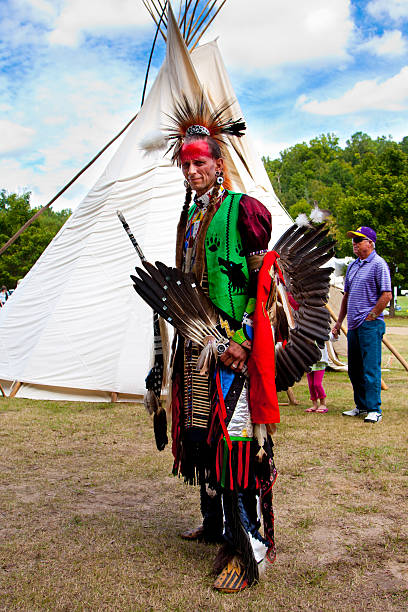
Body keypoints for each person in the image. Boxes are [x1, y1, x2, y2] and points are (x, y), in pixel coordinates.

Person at [166, 99, 280, 592]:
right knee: (199, 441)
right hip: (195, 348)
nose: (193, 171)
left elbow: (267, 287)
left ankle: (246, 546)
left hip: (232, 350)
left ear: (218, 163)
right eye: (186, 164)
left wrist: (247, 340)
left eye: (200, 162)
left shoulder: (244, 212)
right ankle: (215, 524)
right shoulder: (188, 219)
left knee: (235, 449)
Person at [331, 226, 392, 423]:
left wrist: (373, 315)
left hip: (370, 325)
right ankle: (361, 406)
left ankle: (374, 409)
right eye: (353, 241)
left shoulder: (378, 264)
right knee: (354, 368)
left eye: (359, 240)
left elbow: (387, 294)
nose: (354, 244)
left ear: (370, 243)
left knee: (370, 368)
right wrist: (339, 321)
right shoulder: (353, 266)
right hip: (354, 325)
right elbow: (346, 296)